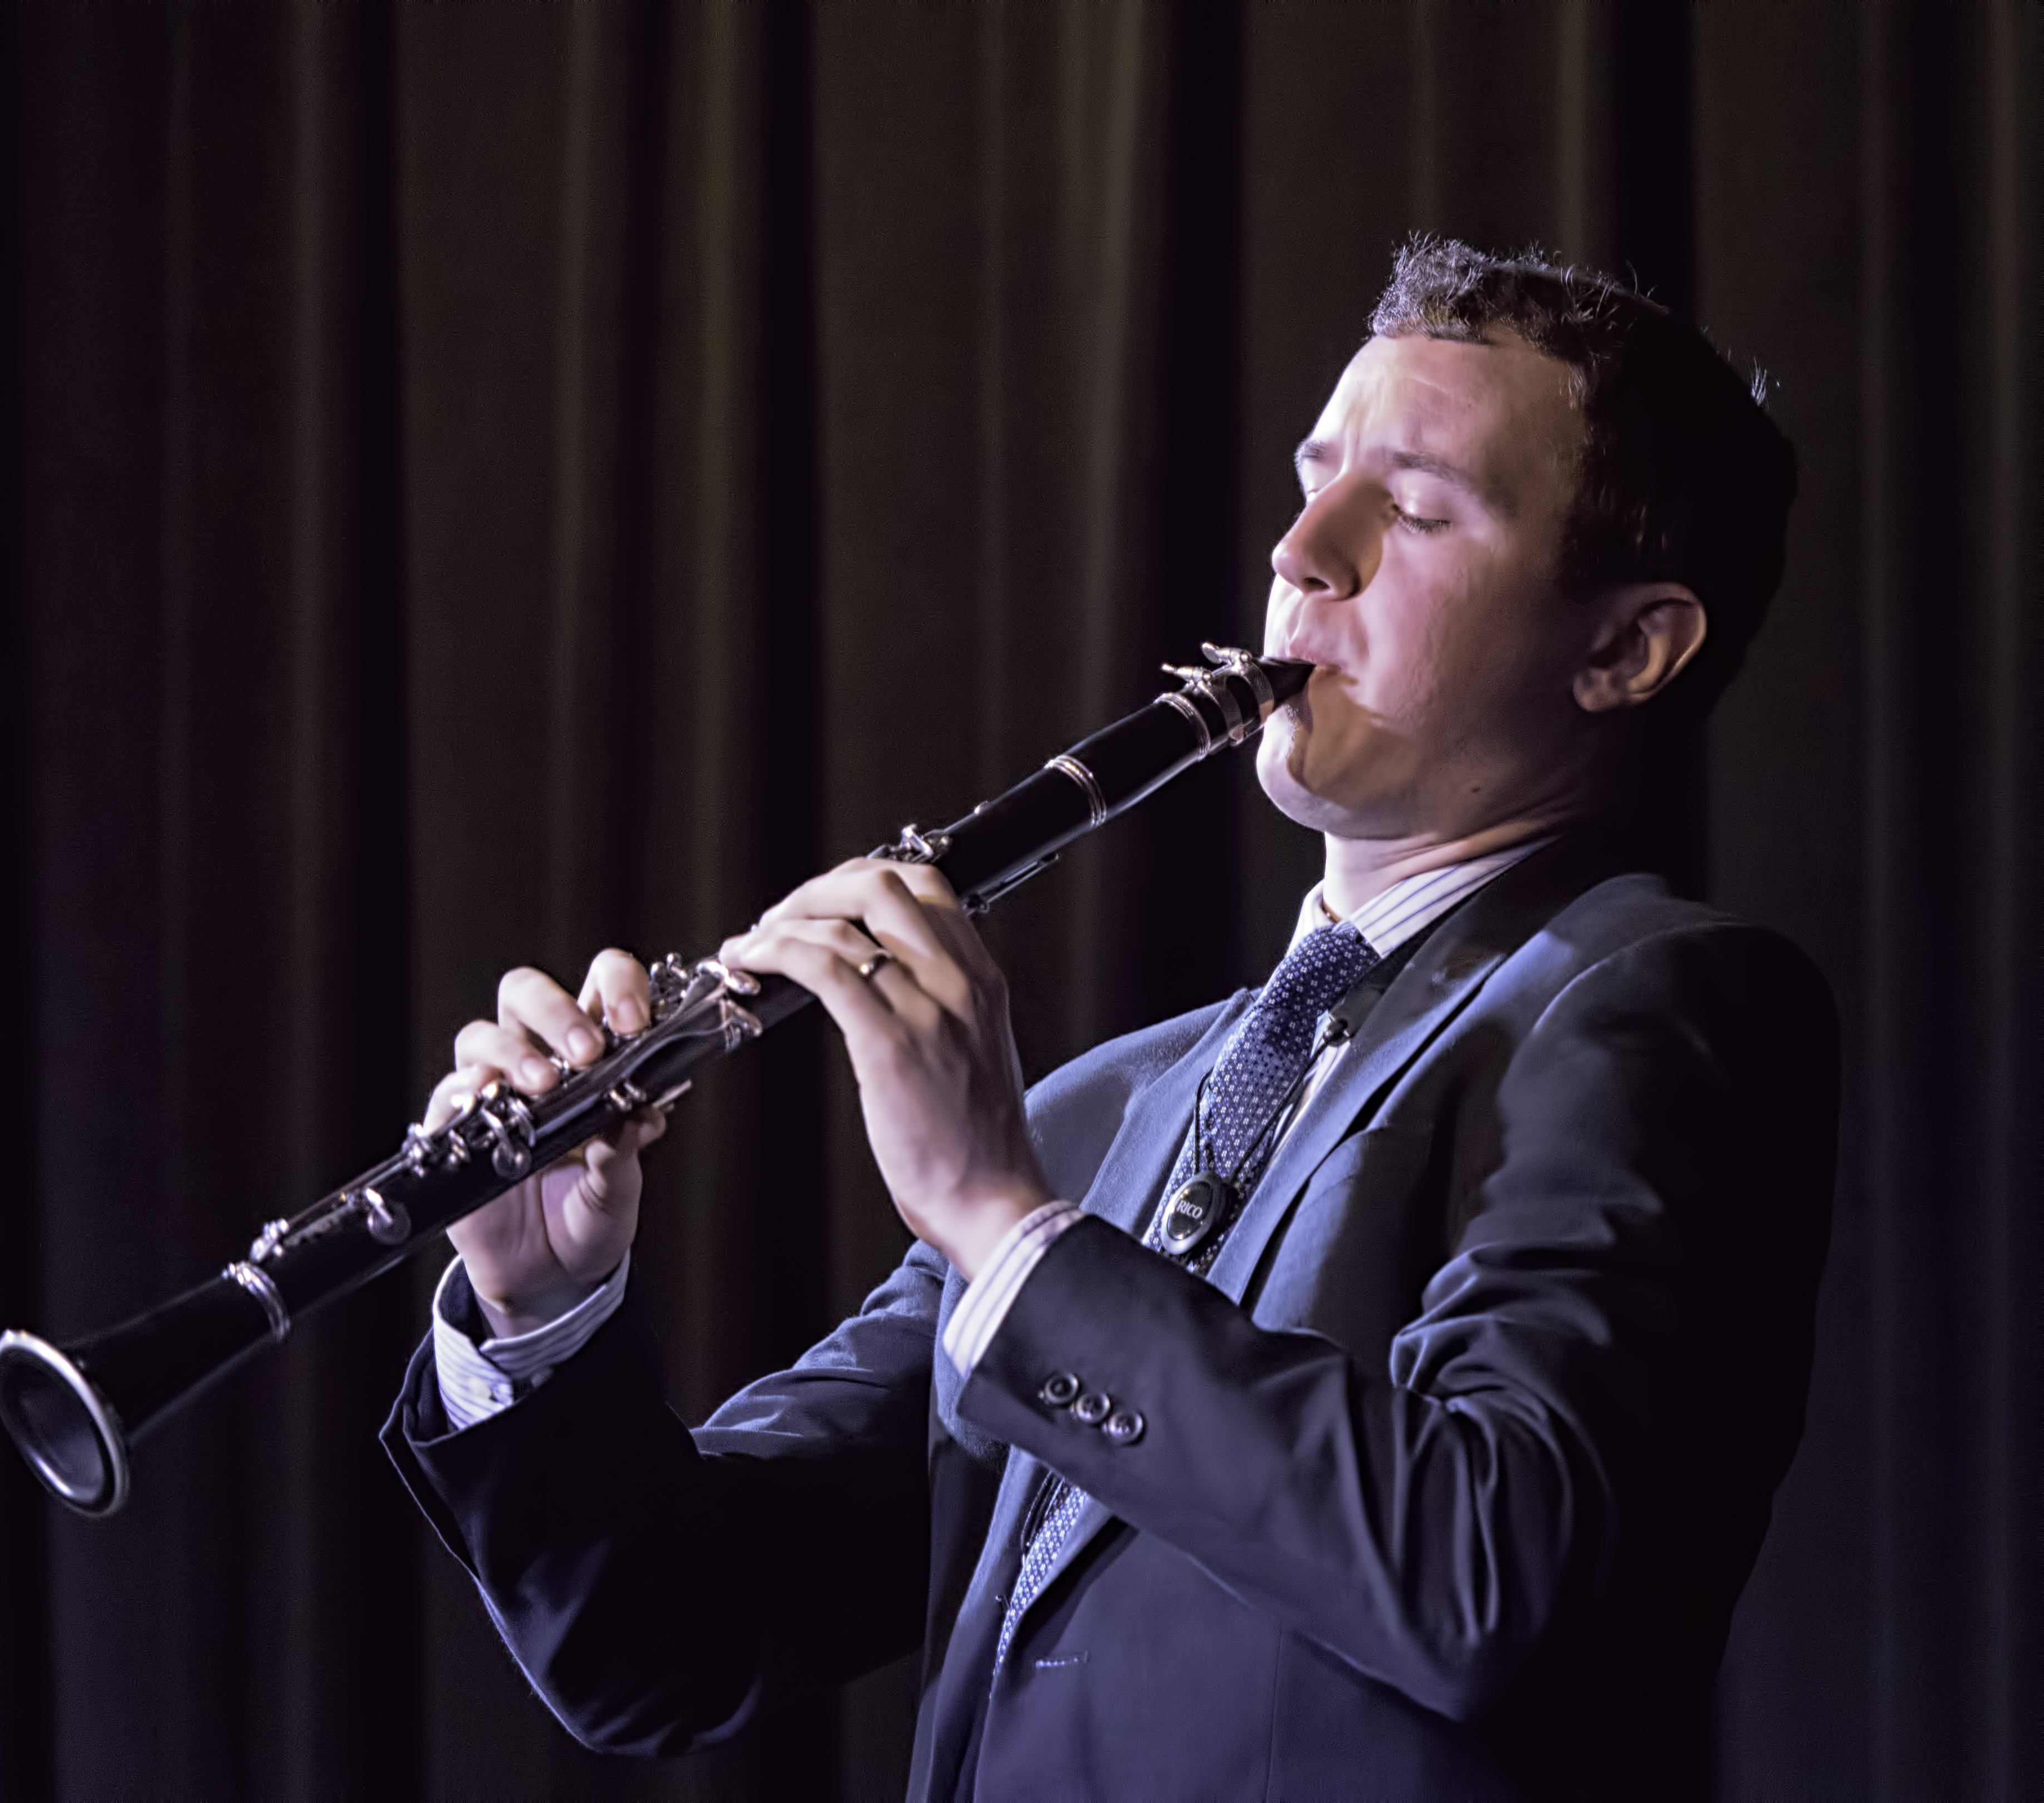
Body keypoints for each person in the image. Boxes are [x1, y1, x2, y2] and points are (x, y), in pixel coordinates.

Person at [382, 239, 1835, 1801]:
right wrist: (543, 1316)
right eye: (1312, 477)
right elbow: (658, 1639)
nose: (1300, 550)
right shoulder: (1104, 1106)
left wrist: (1000, 1225)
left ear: (1624, 648)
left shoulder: (1656, 995)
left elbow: (1496, 1581)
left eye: (1409, 506)